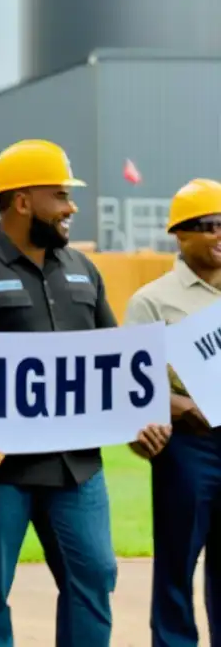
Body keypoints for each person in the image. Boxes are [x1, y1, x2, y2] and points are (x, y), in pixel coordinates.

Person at [0, 139, 171, 647]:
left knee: (95, 581)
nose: (71, 208)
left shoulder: (85, 269)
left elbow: (116, 359)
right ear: (22, 201)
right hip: (0, 472)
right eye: (60, 196)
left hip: (77, 469)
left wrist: (140, 417)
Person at [125, 178, 221, 647]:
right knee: (178, 562)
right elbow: (133, 385)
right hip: (190, 445)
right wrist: (181, 406)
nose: (220, 234)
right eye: (209, 226)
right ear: (179, 235)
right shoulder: (152, 300)